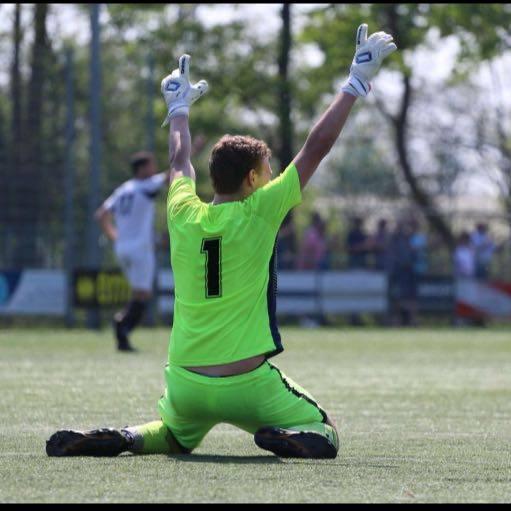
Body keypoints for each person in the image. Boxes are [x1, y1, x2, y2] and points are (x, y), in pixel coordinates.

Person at [46, 25, 397, 459]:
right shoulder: (260, 211)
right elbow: (314, 150)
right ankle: (287, 437)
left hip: (186, 382)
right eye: (266, 170)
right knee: (324, 430)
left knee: (173, 436)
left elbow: (178, 160)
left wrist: (178, 108)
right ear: (252, 179)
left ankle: (127, 437)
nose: (271, 176)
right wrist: (355, 83)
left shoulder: (182, 212)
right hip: (246, 384)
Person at [94, 152, 170, 352]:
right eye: (151, 165)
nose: (154, 169)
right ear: (142, 169)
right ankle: (122, 326)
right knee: (143, 294)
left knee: (138, 294)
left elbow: (101, 214)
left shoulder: (123, 189)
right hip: (139, 248)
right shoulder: (145, 185)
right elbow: (171, 176)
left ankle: (123, 332)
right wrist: (189, 152)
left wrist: (114, 235)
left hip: (122, 248)